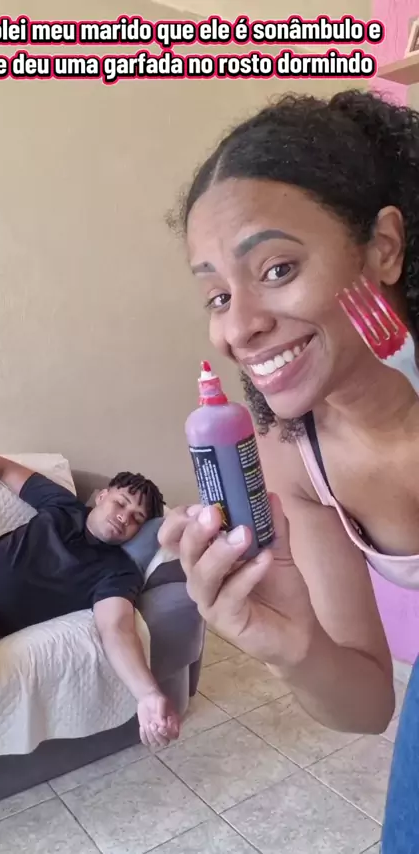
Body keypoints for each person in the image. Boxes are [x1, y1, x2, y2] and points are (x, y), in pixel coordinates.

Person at [160, 89, 419, 851]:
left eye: (277, 268)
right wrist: (290, 645)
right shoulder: (293, 455)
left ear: (384, 248)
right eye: (217, 294)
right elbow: (366, 707)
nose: (237, 327)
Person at [0, 448, 180, 747]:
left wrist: (148, 694)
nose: (123, 516)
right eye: (121, 503)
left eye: (136, 518)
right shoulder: (63, 505)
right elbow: (3, 468)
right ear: (102, 496)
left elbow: (116, 628)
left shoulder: (119, 572)